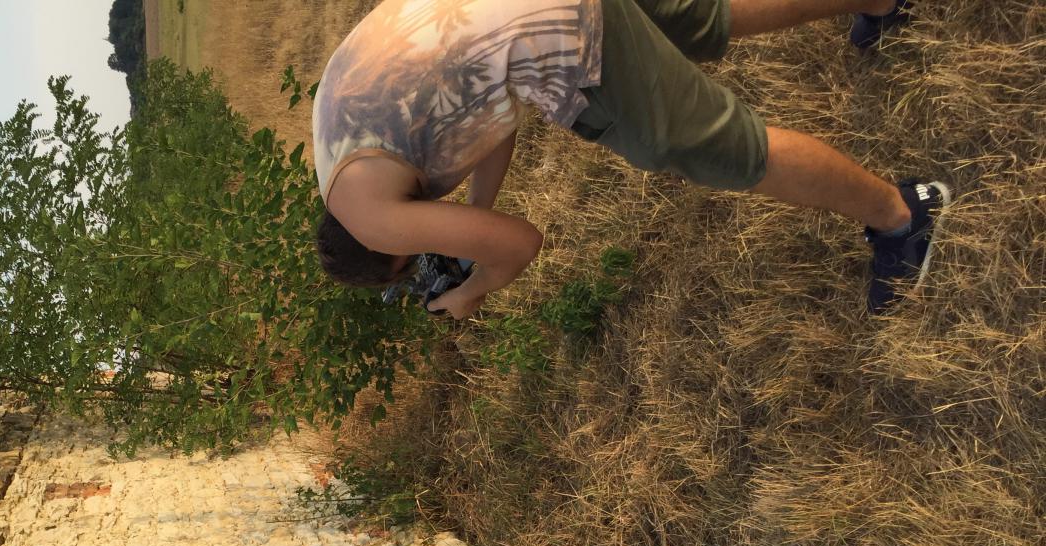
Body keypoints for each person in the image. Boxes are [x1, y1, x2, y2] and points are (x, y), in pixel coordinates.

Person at [312, 0, 945, 317]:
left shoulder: (374, 220)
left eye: (411, 256)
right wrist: (476, 213)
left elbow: (520, 243)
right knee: (699, 16)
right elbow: (484, 119)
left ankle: (903, 216)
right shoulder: (334, 140)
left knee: (706, 145)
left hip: (556, 26)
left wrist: (473, 290)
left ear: (388, 257)